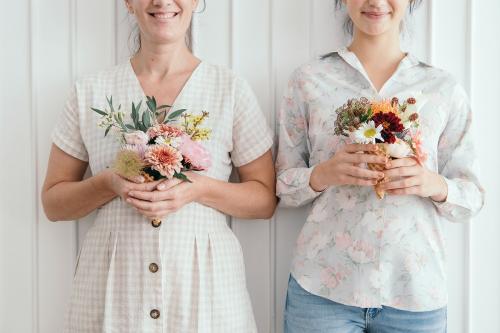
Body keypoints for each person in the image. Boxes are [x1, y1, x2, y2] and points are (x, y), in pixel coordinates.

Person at [41, 0, 276, 332]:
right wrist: (109, 183)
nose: (163, 2)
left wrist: (198, 189)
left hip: (203, 294)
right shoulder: (90, 92)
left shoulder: (229, 89)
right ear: (128, 3)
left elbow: (265, 199)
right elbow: (53, 203)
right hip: (115, 293)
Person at [275, 0, 484, 332]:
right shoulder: (309, 80)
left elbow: (472, 197)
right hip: (322, 289)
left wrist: (430, 183)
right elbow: (282, 186)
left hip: (415, 292)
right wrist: (323, 174)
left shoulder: (442, 88)